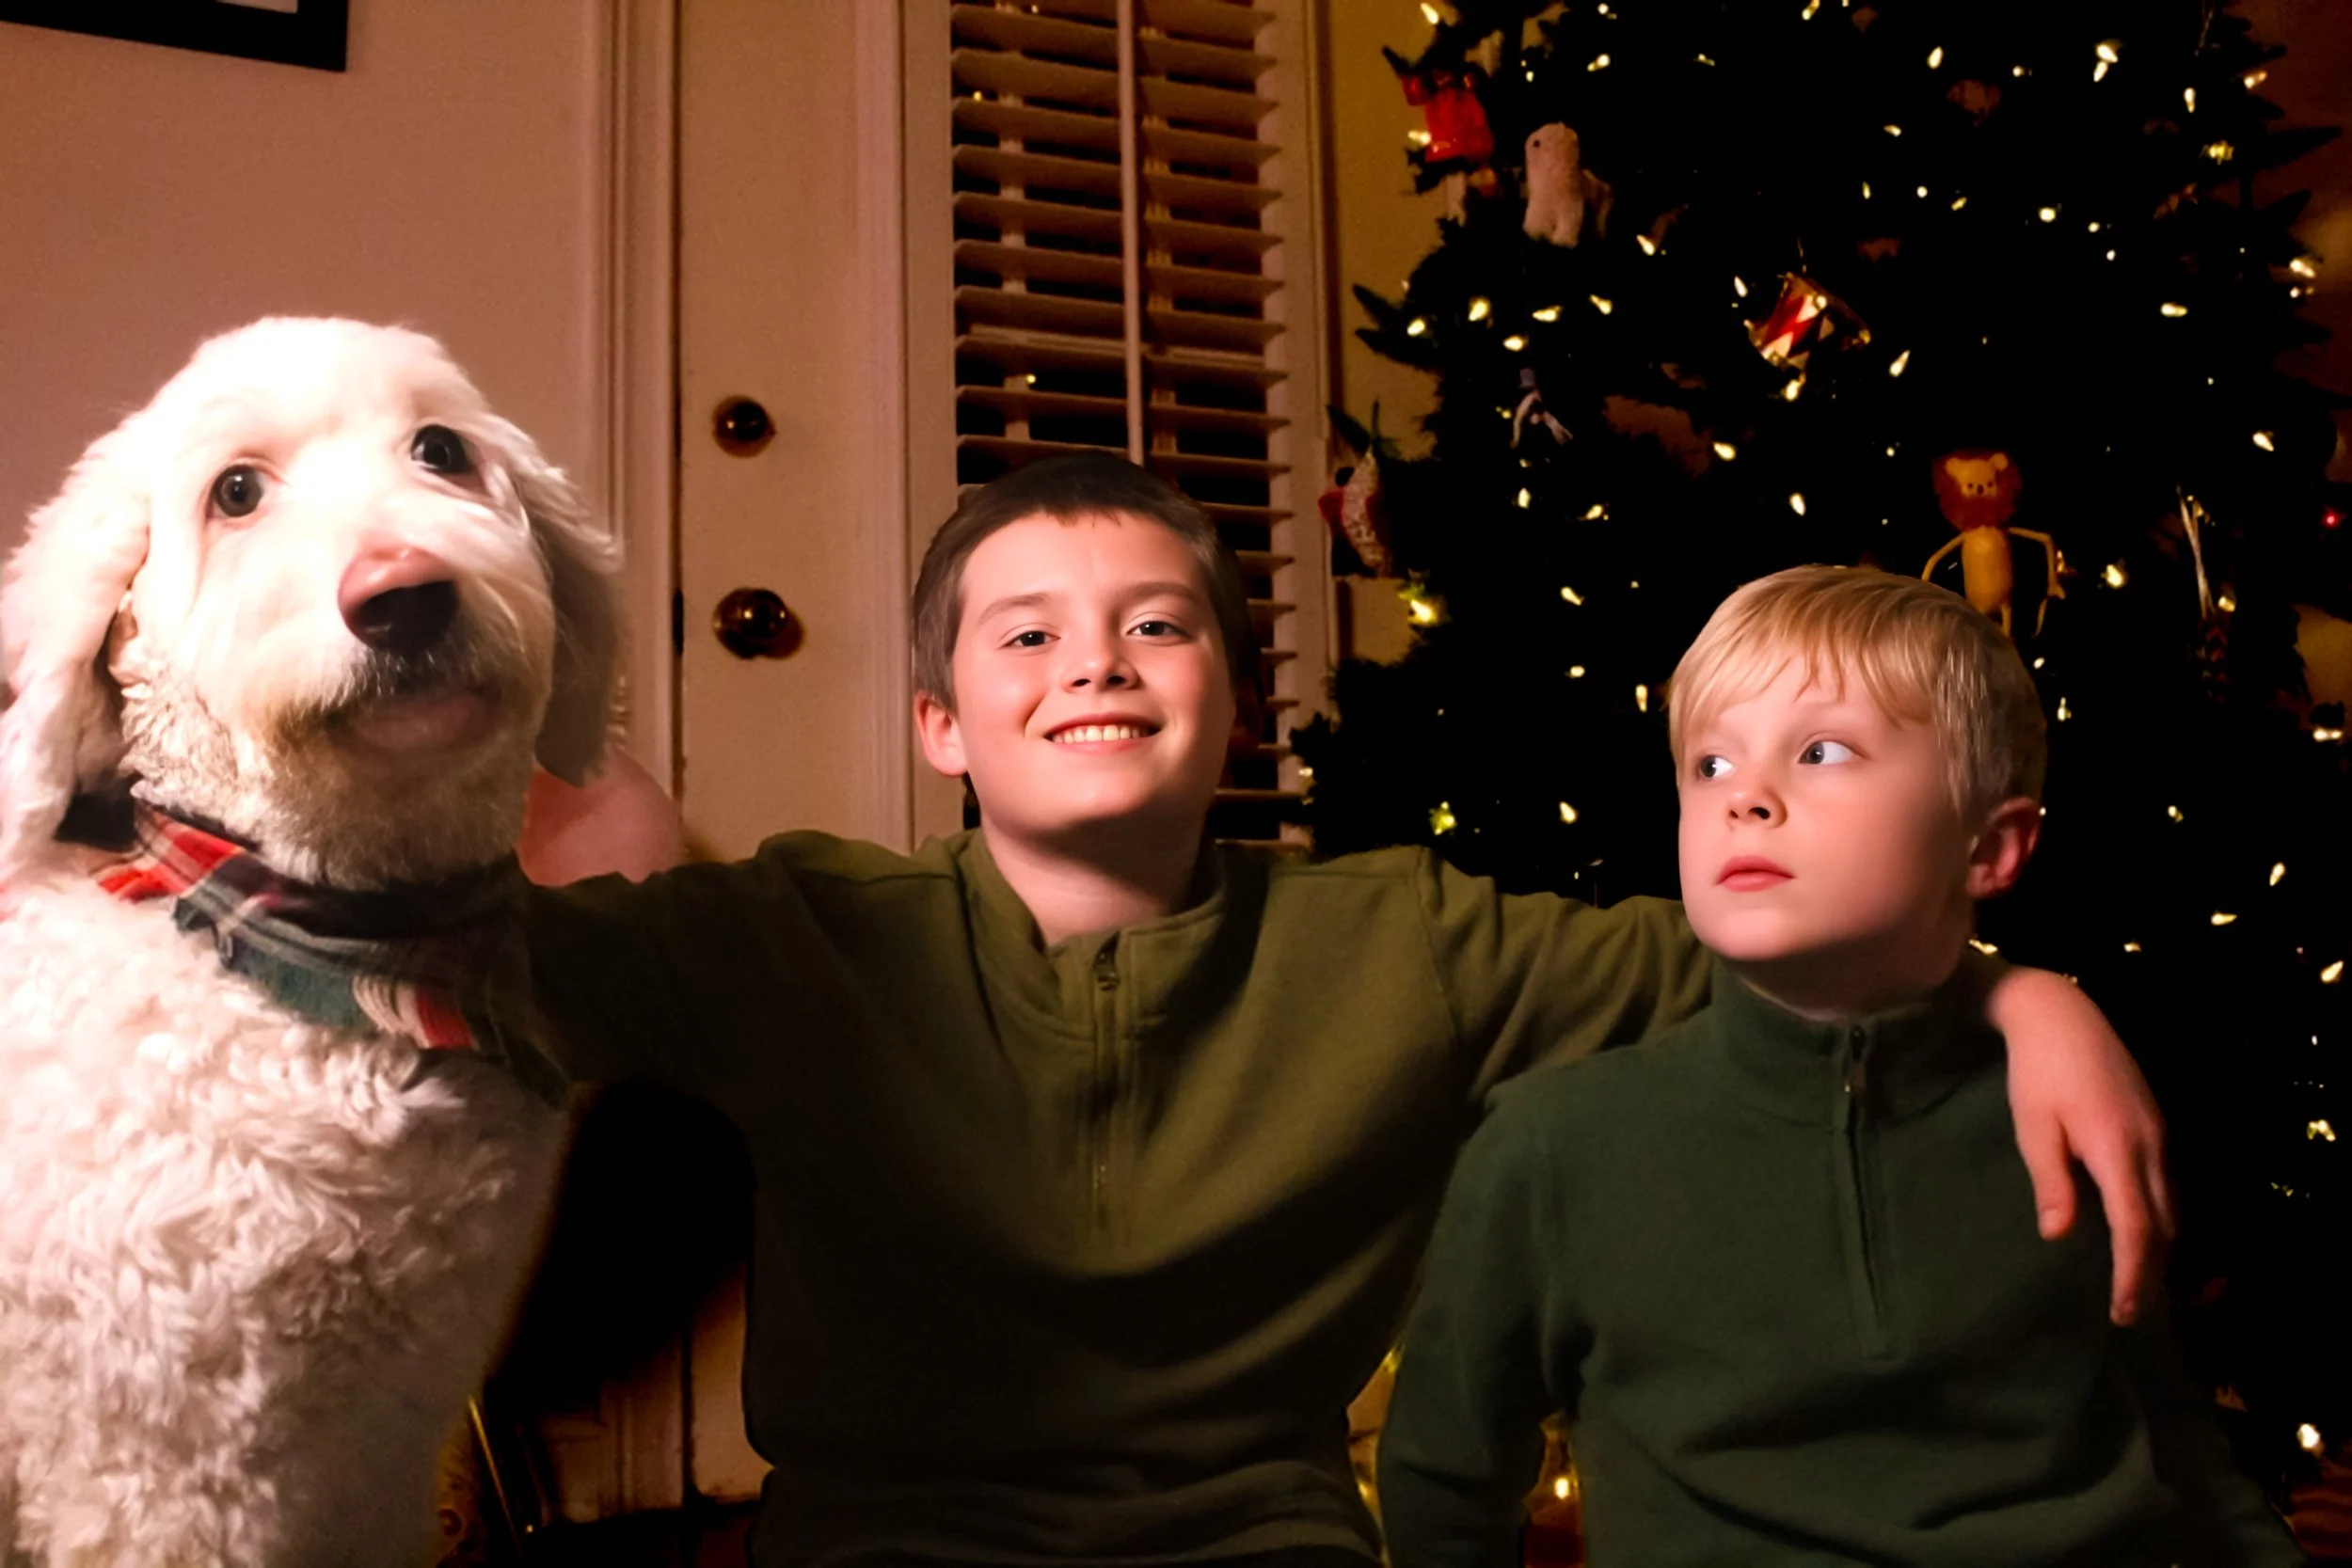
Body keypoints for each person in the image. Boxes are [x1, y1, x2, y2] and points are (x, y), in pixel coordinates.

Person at [513, 458, 2171, 1567]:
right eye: (1031, 636)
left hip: (1261, 1541)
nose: (1098, 663)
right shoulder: (800, 933)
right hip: (877, 1537)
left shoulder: (1406, 941)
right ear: (946, 725)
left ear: (1235, 709)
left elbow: (1760, 945)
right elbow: (470, 958)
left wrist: (2018, 987)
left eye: (1157, 628)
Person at [1375, 566, 2298, 1566]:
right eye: (1710, 764)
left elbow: (2173, 1442)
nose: (1747, 799)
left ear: (1991, 848)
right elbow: (1444, 1487)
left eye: (1821, 750)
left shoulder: (2067, 1108)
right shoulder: (1553, 1148)